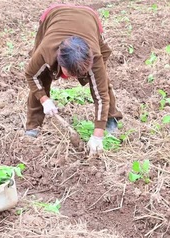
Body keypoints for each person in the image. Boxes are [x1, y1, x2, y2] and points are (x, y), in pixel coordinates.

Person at [24, 4, 123, 156]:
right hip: (53, 15)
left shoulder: (94, 57)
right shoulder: (45, 52)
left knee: (101, 83)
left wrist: (98, 135)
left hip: (89, 18)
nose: (74, 79)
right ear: (60, 61)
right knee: (41, 78)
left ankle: (110, 119)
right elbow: (31, 75)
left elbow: (101, 96)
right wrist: (44, 99)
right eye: (70, 73)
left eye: (79, 74)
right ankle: (33, 127)